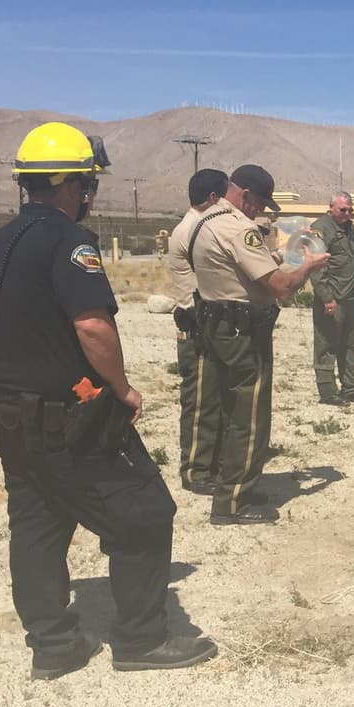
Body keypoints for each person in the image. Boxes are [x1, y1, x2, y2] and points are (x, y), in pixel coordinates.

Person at [0, 122, 217, 678]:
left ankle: (52, 648)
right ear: (68, 184)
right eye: (87, 183)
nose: (90, 194)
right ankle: (141, 640)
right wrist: (122, 389)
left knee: (36, 523)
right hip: (69, 417)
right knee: (146, 513)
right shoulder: (70, 242)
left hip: (9, 416)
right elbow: (93, 327)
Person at [188, 163, 329, 524]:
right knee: (248, 415)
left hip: (215, 324)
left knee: (225, 408)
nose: (262, 212)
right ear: (246, 196)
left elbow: (242, 270)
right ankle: (233, 500)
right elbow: (280, 288)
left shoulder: (205, 221)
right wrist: (307, 268)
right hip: (242, 332)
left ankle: (234, 484)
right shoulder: (240, 229)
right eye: (261, 203)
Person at [167, 168, 229, 495]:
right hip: (196, 325)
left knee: (212, 399)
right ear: (213, 199)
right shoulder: (193, 230)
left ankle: (208, 464)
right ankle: (195, 469)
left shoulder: (194, 226)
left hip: (202, 323)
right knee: (200, 401)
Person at [310, 191, 354, 405]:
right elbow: (316, 268)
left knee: (351, 345)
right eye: (342, 210)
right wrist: (327, 297)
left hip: (350, 298)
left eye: (350, 210)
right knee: (327, 344)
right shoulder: (321, 229)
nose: (347, 214)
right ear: (331, 209)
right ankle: (328, 393)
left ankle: (352, 388)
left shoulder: (350, 229)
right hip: (332, 298)